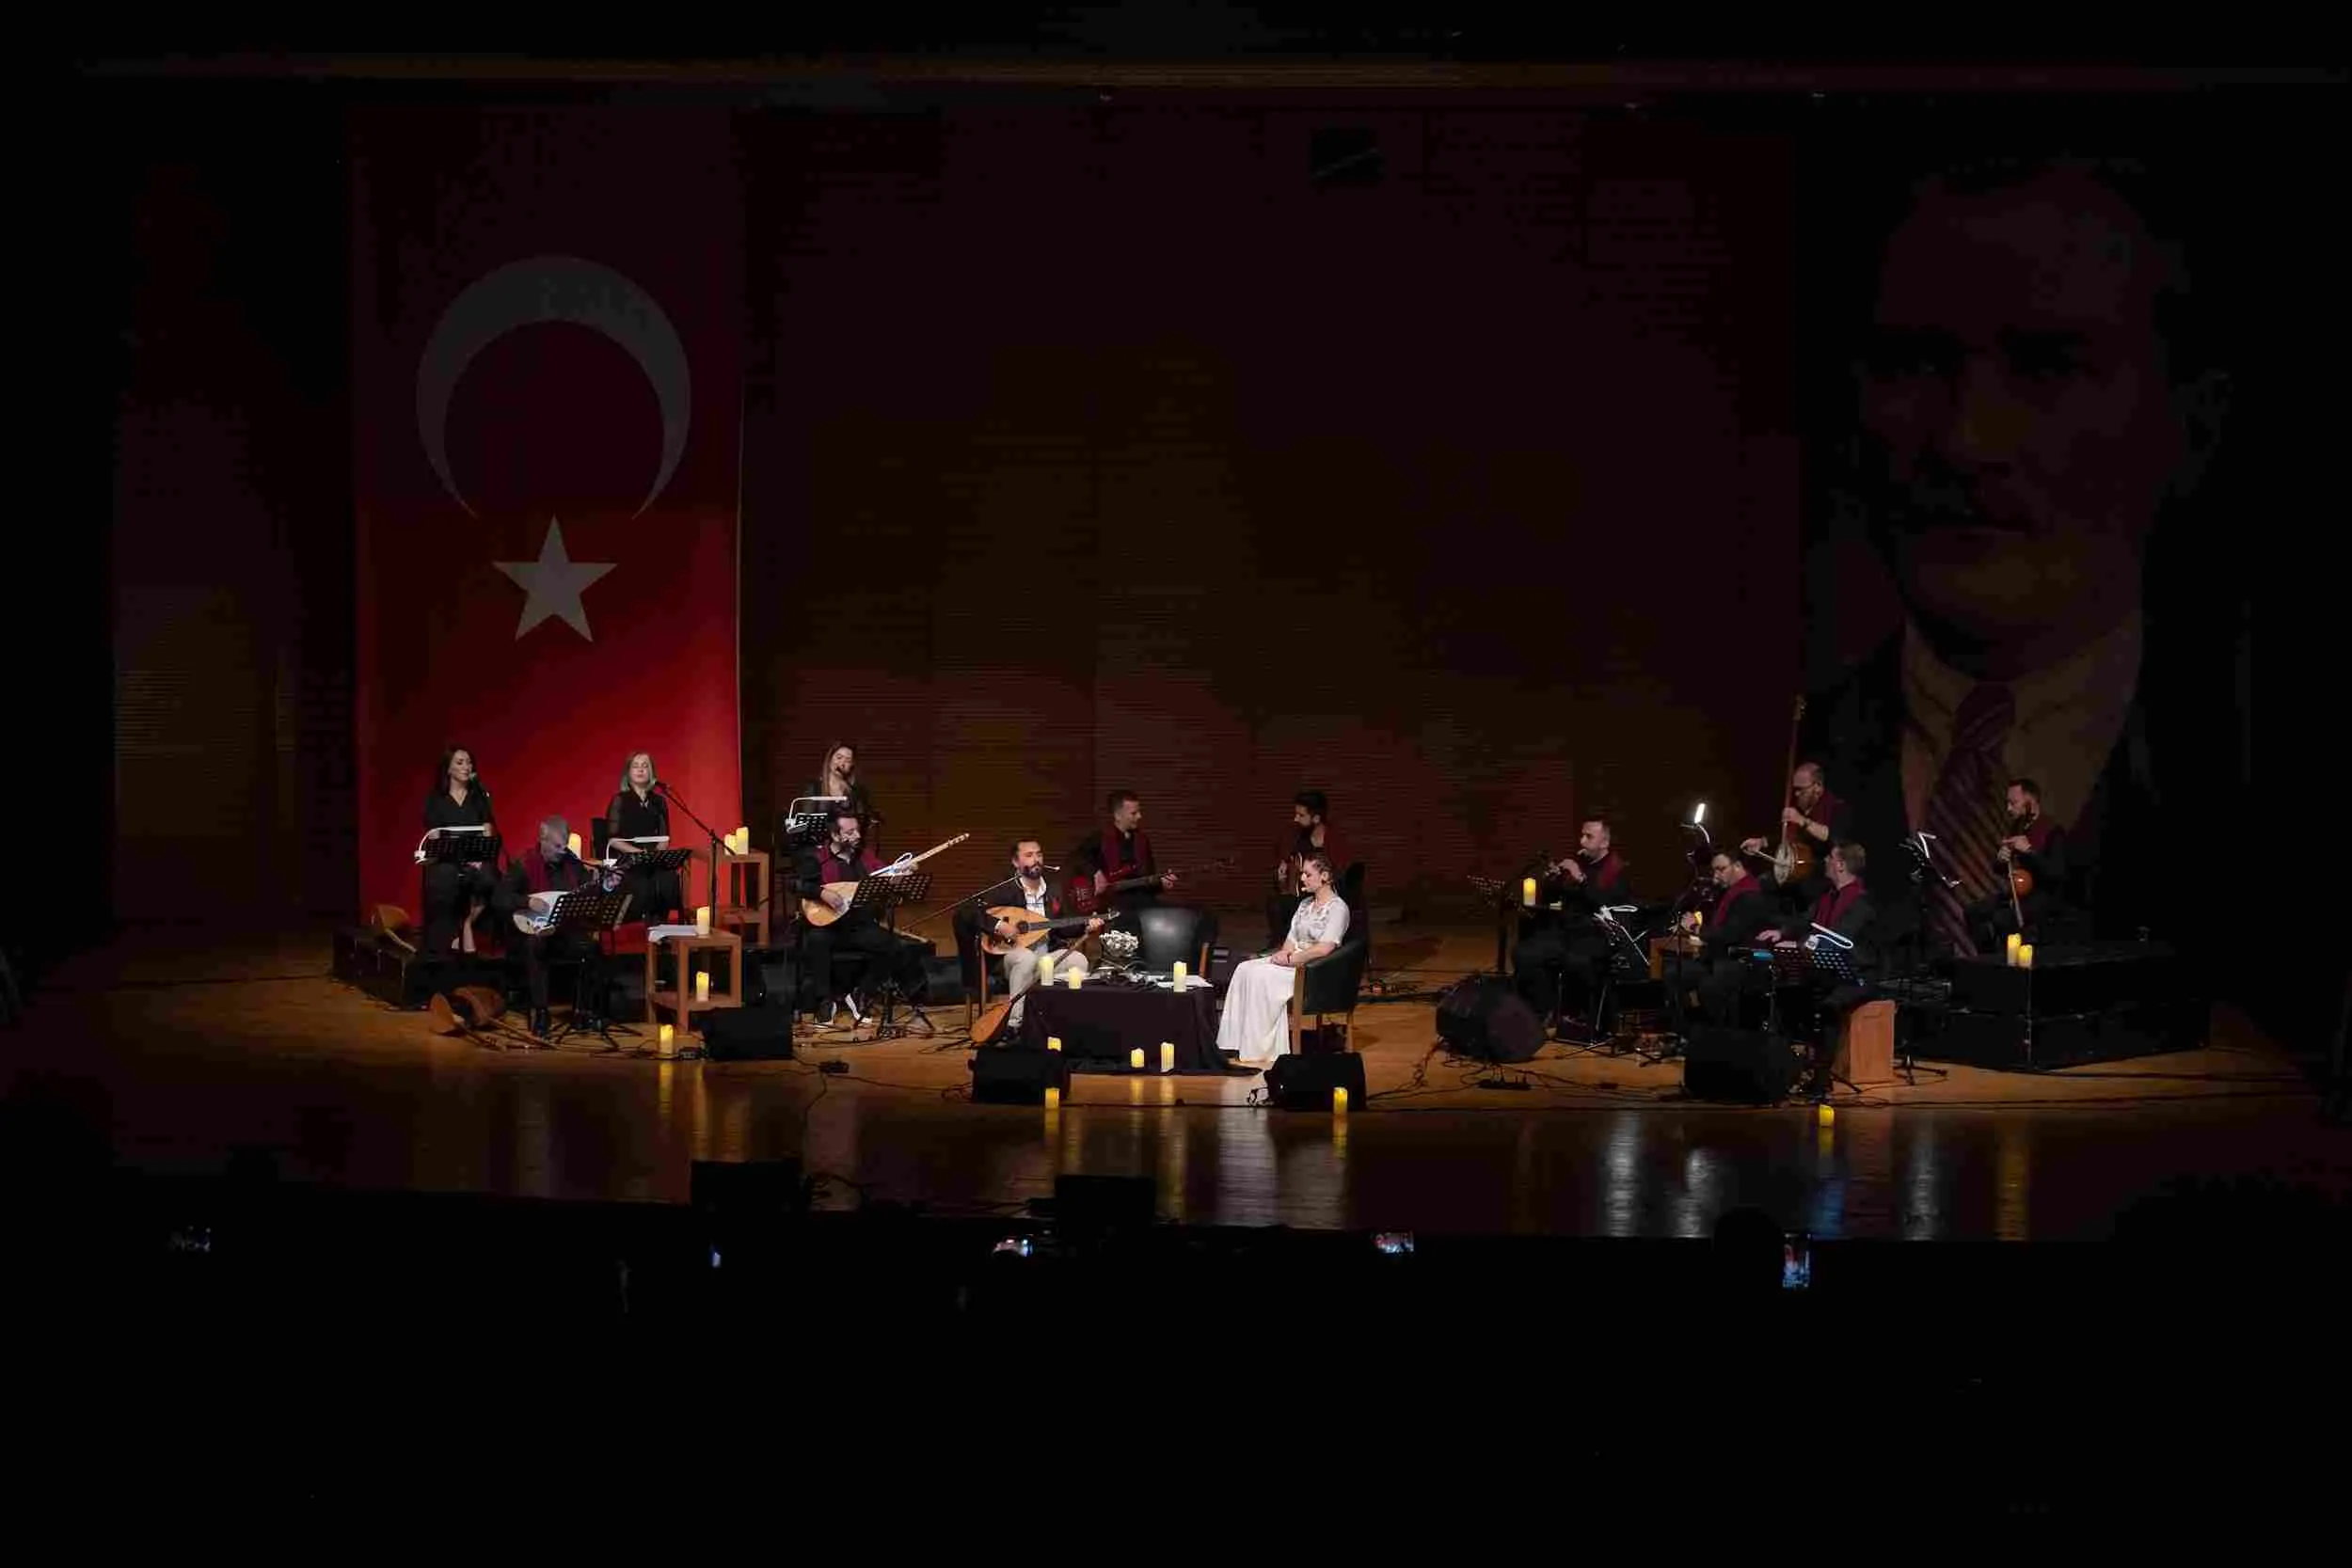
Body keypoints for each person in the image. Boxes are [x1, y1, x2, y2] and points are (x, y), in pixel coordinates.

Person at [1806, 155, 2232, 959]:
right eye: (1918, 361)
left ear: (2191, 416)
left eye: (2049, 365)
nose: (1968, 438)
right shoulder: (1794, 756)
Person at [1756, 842, 1881, 1097]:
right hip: (1828, 972)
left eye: (1830, 858)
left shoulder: (1861, 902)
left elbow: (1837, 938)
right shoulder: (1827, 896)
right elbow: (1805, 921)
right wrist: (1781, 932)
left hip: (1856, 976)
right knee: (1783, 995)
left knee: (1828, 1006)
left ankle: (1822, 1079)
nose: (1825, 861)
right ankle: (1787, 1069)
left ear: (1841, 865)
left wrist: (1798, 944)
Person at [794, 805, 927, 1027]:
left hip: (858, 925)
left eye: (857, 830)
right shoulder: (817, 858)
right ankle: (824, 1001)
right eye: (850, 832)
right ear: (835, 835)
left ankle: (861, 994)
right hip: (827, 926)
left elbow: (884, 877)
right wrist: (822, 892)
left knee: (892, 946)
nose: (857, 835)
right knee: (816, 942)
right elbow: (798, 884)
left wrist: (899, 875)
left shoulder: (865, 857)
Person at [1217, 852, 1348, 1069]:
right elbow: (1290, 940)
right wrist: (1283, 955)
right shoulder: (1305, 905)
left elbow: (1325, 948)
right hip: (1291, 960)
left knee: (1260, 976)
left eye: (1308, 874)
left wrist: (1292, 959)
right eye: (1302, 874)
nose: (1302, 878)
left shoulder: (1338, 908)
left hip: (1312, 969)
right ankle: (1237, 1042)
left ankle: (1261, 1049)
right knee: (1244, 968)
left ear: (1324, 876)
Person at [961, 838, 1104, 1035]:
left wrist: (1087, 925)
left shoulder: (1053, 890)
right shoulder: (1005, 889)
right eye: (1029, 855)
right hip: (1011, 958)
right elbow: (967, 911)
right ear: (1015, 862)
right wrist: (999, 926)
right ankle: (1015, 1025)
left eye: (1039, 854)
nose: (1036, 859)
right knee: (1026, 958)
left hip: (1046, 957)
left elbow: (1063, 928)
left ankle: (1064, 1023)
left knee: (1078, 960)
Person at [1512, 815, 1631, 1035]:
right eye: (1582, 835)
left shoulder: (1616, 870)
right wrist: (1553, 879)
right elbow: (1554, 899)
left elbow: (1603, 901)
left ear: (1604, 842)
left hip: (1595, 936)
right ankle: (1543, 1010)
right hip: (1567, 933)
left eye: (1589, 836)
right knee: (1524, 953)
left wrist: (1580, 878)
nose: (1582, 841)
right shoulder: (1581, 862)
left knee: (1576, 961)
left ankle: (1574, 1015)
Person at [494, 815, 596, 1039]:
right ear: (543, 840)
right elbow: (500, 898)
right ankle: (541, 1012)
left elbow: (588, 890)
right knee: (535, 946)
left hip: (564, 931)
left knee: (590, 948)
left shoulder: (572, 864)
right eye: (557, 846)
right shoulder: (525, 864)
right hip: (532, 933)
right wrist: (527, 901)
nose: (562, 851)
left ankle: (582, 1011)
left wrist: (602, 886)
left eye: (565, 845)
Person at [1966, 777, 2071, 951]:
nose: (2008, 808)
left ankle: (2011, 963)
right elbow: (2001, 869)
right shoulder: (2017, 827)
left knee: (2002, 919)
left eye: (2013, 803)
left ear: (2030, 802)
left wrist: (2029, 851)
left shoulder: (2053, 830)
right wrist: (2001, 860)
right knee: (1973, 911)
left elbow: (2057, 873)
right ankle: (1988, 959)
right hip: (2019, 894)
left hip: (2043, 895)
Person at [1677, 849, 1776, 1029]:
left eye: (1721, 869)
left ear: (1737, 866)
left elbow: (1729, 935)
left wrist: (1695, 928)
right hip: (1721, 958)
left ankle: (1715, 1034)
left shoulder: (1750, 895)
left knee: (1708, 986)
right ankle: (1688, 1032)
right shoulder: (1729, 892)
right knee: (1675, 972)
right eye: (1714, 870)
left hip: (1741, 961)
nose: (1716, 875)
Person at [1739, 761, 1847, 915]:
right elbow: (1786, 837)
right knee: (1757, 886)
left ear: (1817, 786)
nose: (1796, 794)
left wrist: (1802, 820)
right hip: (1795, 874)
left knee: (1801, 891)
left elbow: (1833, 836)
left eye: (1801, 789)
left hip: (1821, 876)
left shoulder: (1836, 807)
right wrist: (1761, 842)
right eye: (1795, 789)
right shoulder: (1798, 810)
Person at [421, 746, 499, 955]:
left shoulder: (479, 797)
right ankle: (458, 931)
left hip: (474, 858)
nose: (466, 767)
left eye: (469, 762)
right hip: (446, 860)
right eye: (460, 762)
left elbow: (488, 830)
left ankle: (465, 925)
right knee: (446, 877)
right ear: (448, 768)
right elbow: (435, 836)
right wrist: (455, 855)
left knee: (490, 877)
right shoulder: (435, 799)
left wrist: (480, 857)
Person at [1073, 790, 1178, 932]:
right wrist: (1096, 873)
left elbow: (1148, 879)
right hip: (1112, 905)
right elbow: (1078, 858)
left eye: (1138, 812)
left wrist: (1162, 884)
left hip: (1141, 904)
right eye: (1134, 813)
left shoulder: (1142, 841)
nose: (1139, 816)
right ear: (1118, 815)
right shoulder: (1101, 838)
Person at [604, 750, 681, 925]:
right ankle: (645, 925)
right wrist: (638, 854)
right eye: (636, 766)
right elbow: (613, 839)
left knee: (667, 878)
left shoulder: (659, 801)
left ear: (651, 772)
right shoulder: (620, 800)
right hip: (629, 857)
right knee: (641, 881)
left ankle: (658, 927)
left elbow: (664, 838)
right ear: (628, 772)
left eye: (645, 766)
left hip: (653, 857)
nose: (640, 770)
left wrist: (654, 856)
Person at [1268, 790, 1346, 946]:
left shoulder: (1334, 840)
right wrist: (1284, 866)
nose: (1295, 819)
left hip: (1323, 892)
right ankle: (1281, 947)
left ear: (1316, 818)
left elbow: (1341, 875)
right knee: (1275, 904)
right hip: (1299, 891)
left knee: (1290, 906)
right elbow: (1286, 855)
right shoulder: (1297, 835)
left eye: (1301, 815)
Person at [803, 742, 878, 848]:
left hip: (848, 847)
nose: (842, 763)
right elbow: (807, 821)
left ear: (851, 766)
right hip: (820, 847)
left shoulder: (855, 792)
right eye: (839, 758)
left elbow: (862, 821)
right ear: (830, 760)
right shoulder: (814, 787)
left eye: (848, 760)